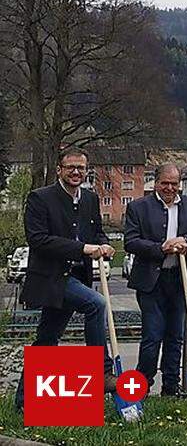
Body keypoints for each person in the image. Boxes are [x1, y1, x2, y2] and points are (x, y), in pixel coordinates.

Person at [15, 148, 117, 411]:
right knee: (96, 304)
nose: (76, 172)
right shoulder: (40, 198)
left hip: (77, 276)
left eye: (81, 168)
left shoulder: (90, 199)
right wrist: (83, 248)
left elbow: (97, 232)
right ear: (59, 169)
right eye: (70, 167)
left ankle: (23, 403)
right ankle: (102, 371)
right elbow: (37, 240)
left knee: (46, 340)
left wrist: (104, 245)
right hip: (50, 278)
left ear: (87, 170)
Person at [124, 163, 187, 396]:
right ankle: (141, 386)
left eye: (174, 184)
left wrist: (185, 240)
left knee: (175, 336)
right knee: (152, 336)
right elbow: (130, 242)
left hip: (180, 279)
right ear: (156, 182)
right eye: (165, 183)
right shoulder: (138, 207)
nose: (170, 188)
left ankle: (171, 389)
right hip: (151, 282)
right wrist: (161, 247)